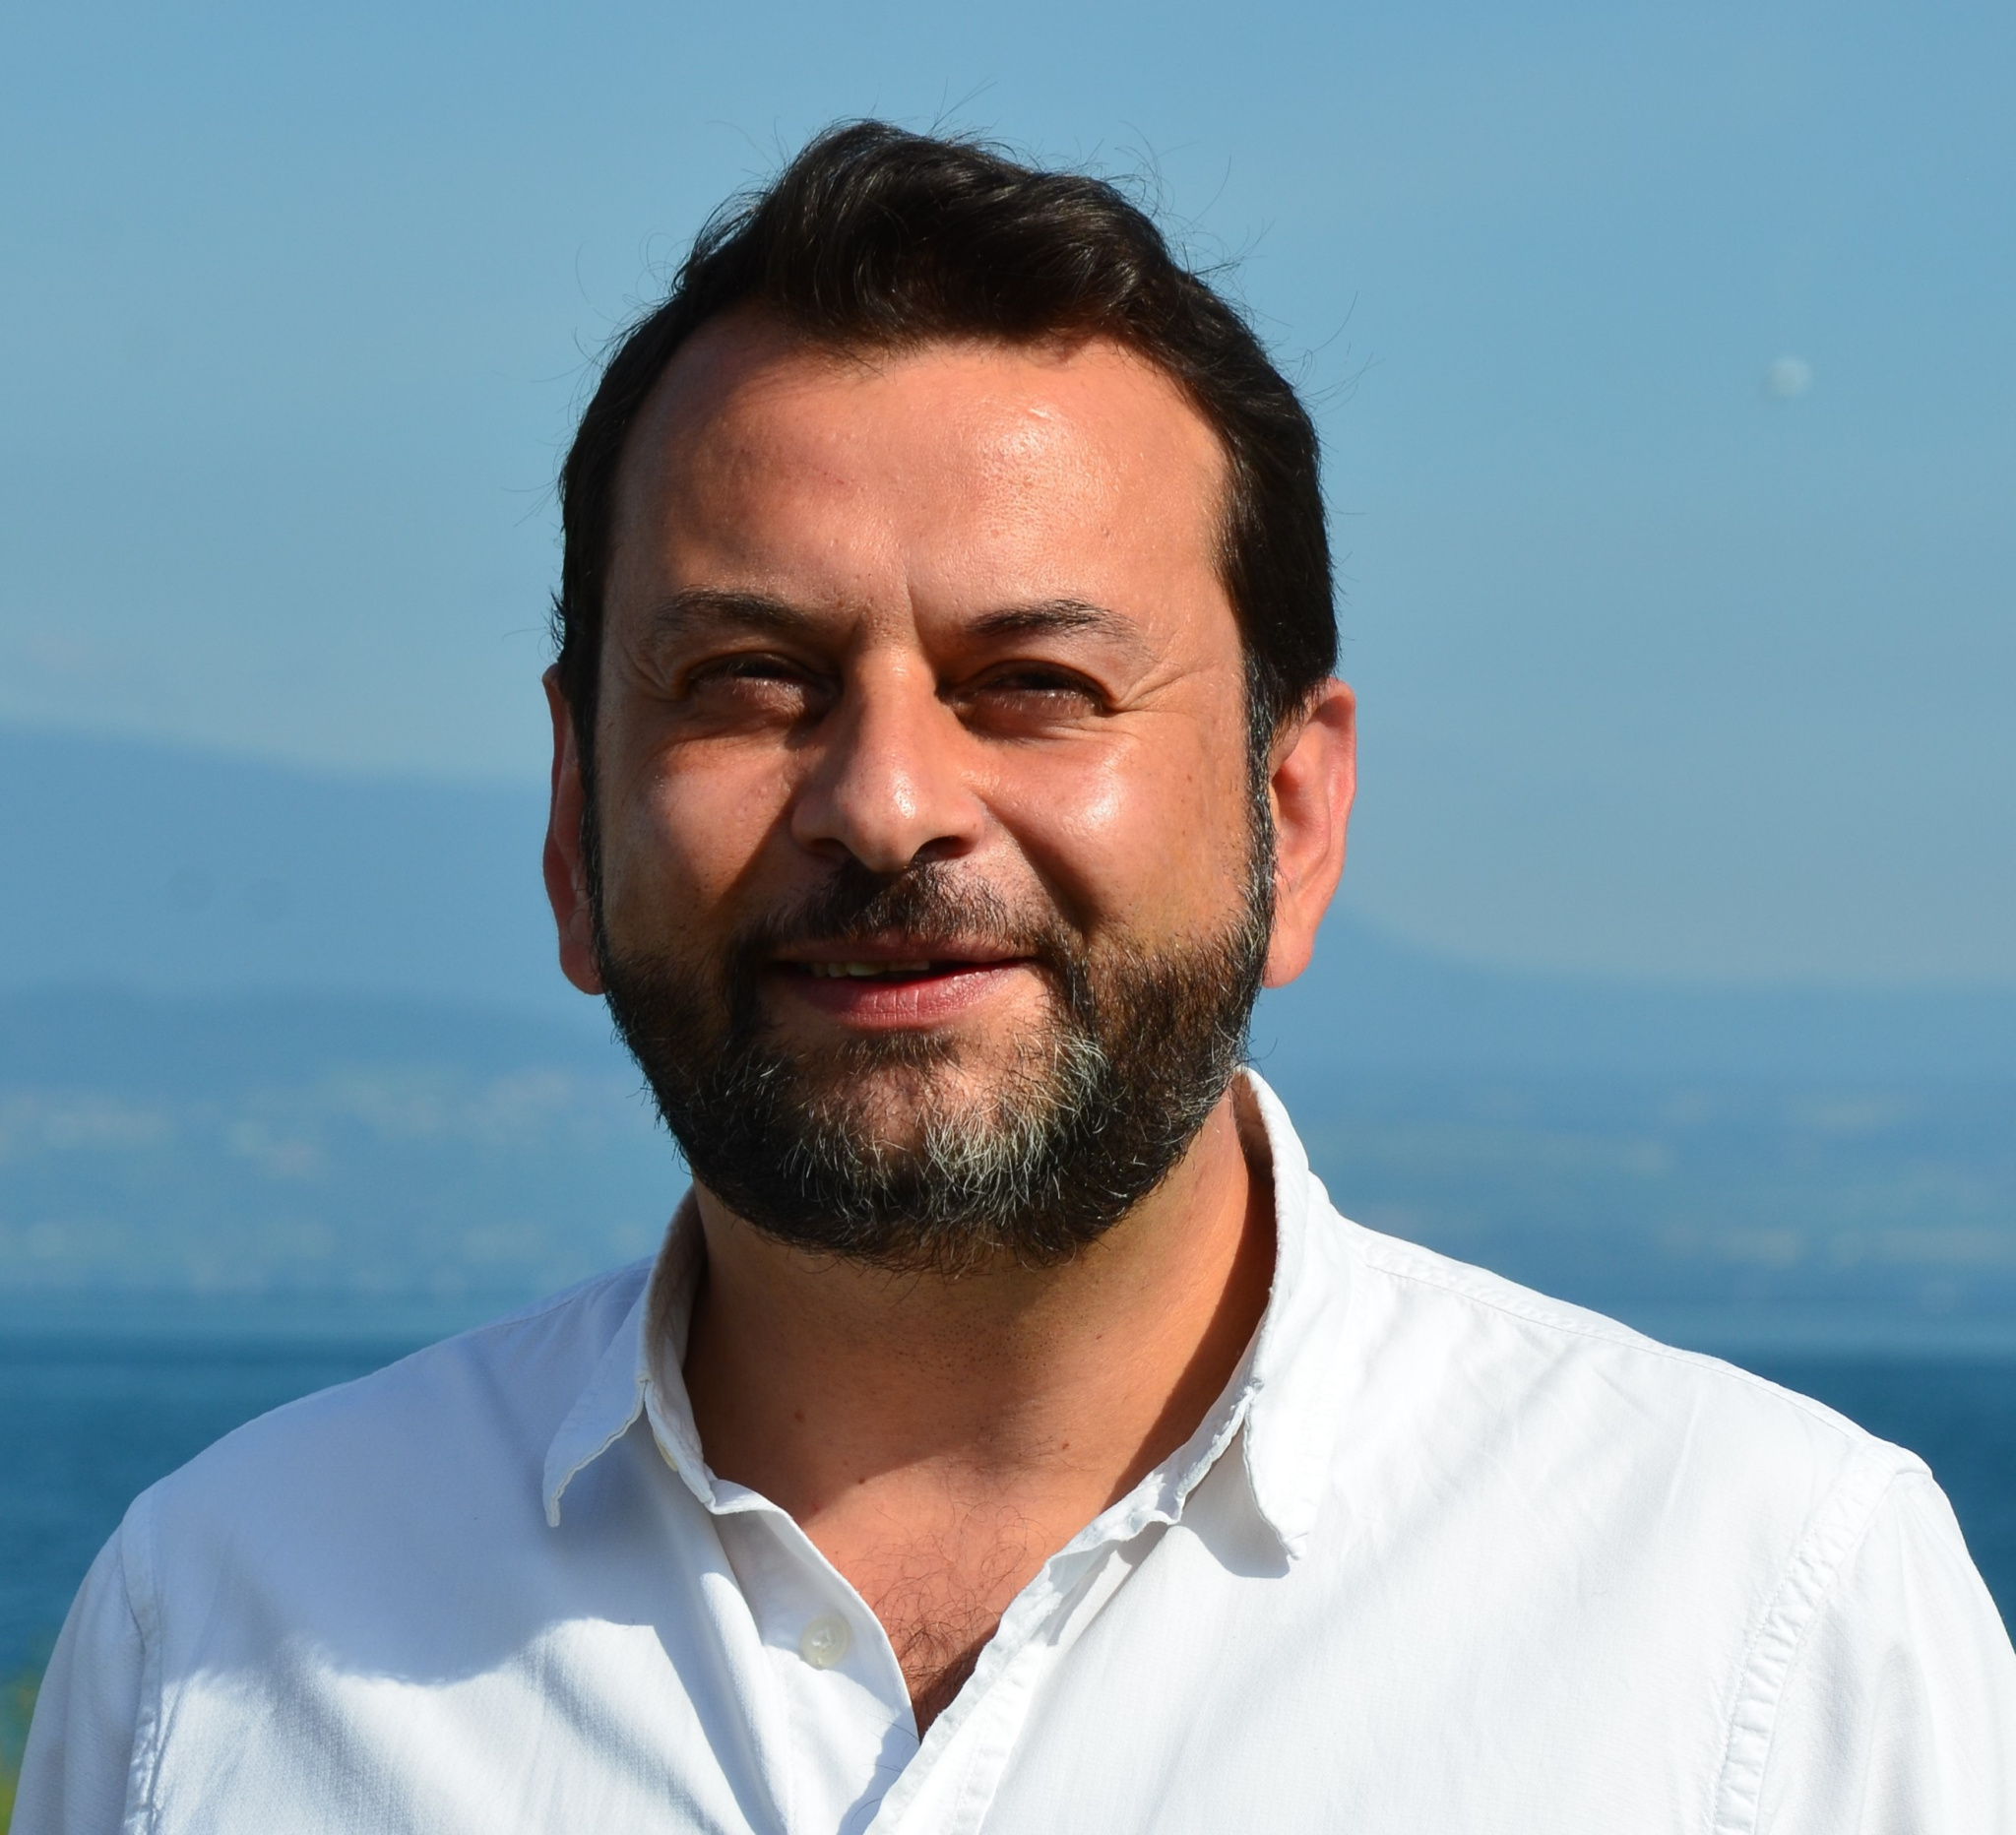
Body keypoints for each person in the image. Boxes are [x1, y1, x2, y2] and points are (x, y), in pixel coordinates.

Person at [19, 121, 2014, 1834]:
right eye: (750, 680)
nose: (887, 803)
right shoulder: (228, 1633)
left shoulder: (1763, 1624)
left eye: (1034, 683)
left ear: (1293, 813)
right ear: (572, 817)